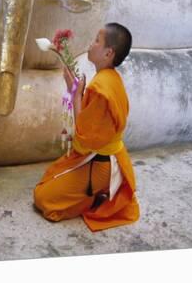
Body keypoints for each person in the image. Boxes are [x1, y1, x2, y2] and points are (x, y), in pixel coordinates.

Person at [33, 22, 140, 232]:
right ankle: (96, 192)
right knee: (49, 177)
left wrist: (74, 96)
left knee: (43, 199)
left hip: (100, 164)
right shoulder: (109, 78)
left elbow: (83, 139)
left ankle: (98, 197)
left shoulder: (101, 89)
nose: (91, 45)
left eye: (96, 41)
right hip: (103, 156)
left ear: (108, 53)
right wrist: (78, 93)